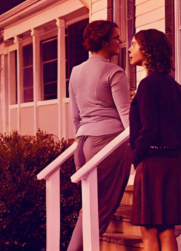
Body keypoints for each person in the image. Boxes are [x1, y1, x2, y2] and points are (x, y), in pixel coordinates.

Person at [67, 20, 133, 251]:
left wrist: (80, 143)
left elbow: (75, 116)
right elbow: (126, 114)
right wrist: (137, 144)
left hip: (84, 143)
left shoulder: (75, 72)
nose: (120, 42)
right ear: (104, 42)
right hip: (109, 143)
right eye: (116, 37)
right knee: (100, 208)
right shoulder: (113, 71)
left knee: (90, 205)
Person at [128, 29, 181, 251]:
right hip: (172, 164)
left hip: (151, 164)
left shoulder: (147, 85)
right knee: (167, 232)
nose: (129, 49)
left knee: (149, 234)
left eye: (134, 45)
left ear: (146, 50)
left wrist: (135, 157)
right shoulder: (176, 88)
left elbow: (149, 128)